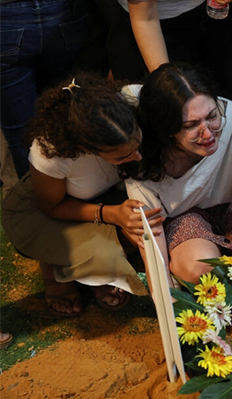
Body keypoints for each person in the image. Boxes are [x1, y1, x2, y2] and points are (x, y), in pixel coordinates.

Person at [1, 73, 161, 316]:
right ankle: (55, 272)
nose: (137, 157)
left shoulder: (132, 100)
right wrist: (110, 214)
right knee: (107, 252)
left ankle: (98, 271)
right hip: (53, 209)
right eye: (121, 157)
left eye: (138, 143)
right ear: (87, 149)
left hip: (110, 195)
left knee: (151, 228)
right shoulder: (50, 151)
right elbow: (52, 207)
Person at [122, 63, 232, 284]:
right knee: (199, 271)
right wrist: (165, 296)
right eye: (191, 125)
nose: (207, 133)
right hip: (183, 214)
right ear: (166, 128)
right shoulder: (141, 154)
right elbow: (152, 233)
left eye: (212, 116)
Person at [1, 0, 88, 181]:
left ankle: (35, 200)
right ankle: (63, 196)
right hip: (62, 10)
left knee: (22, 134)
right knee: (63, 114)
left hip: (6, 15)